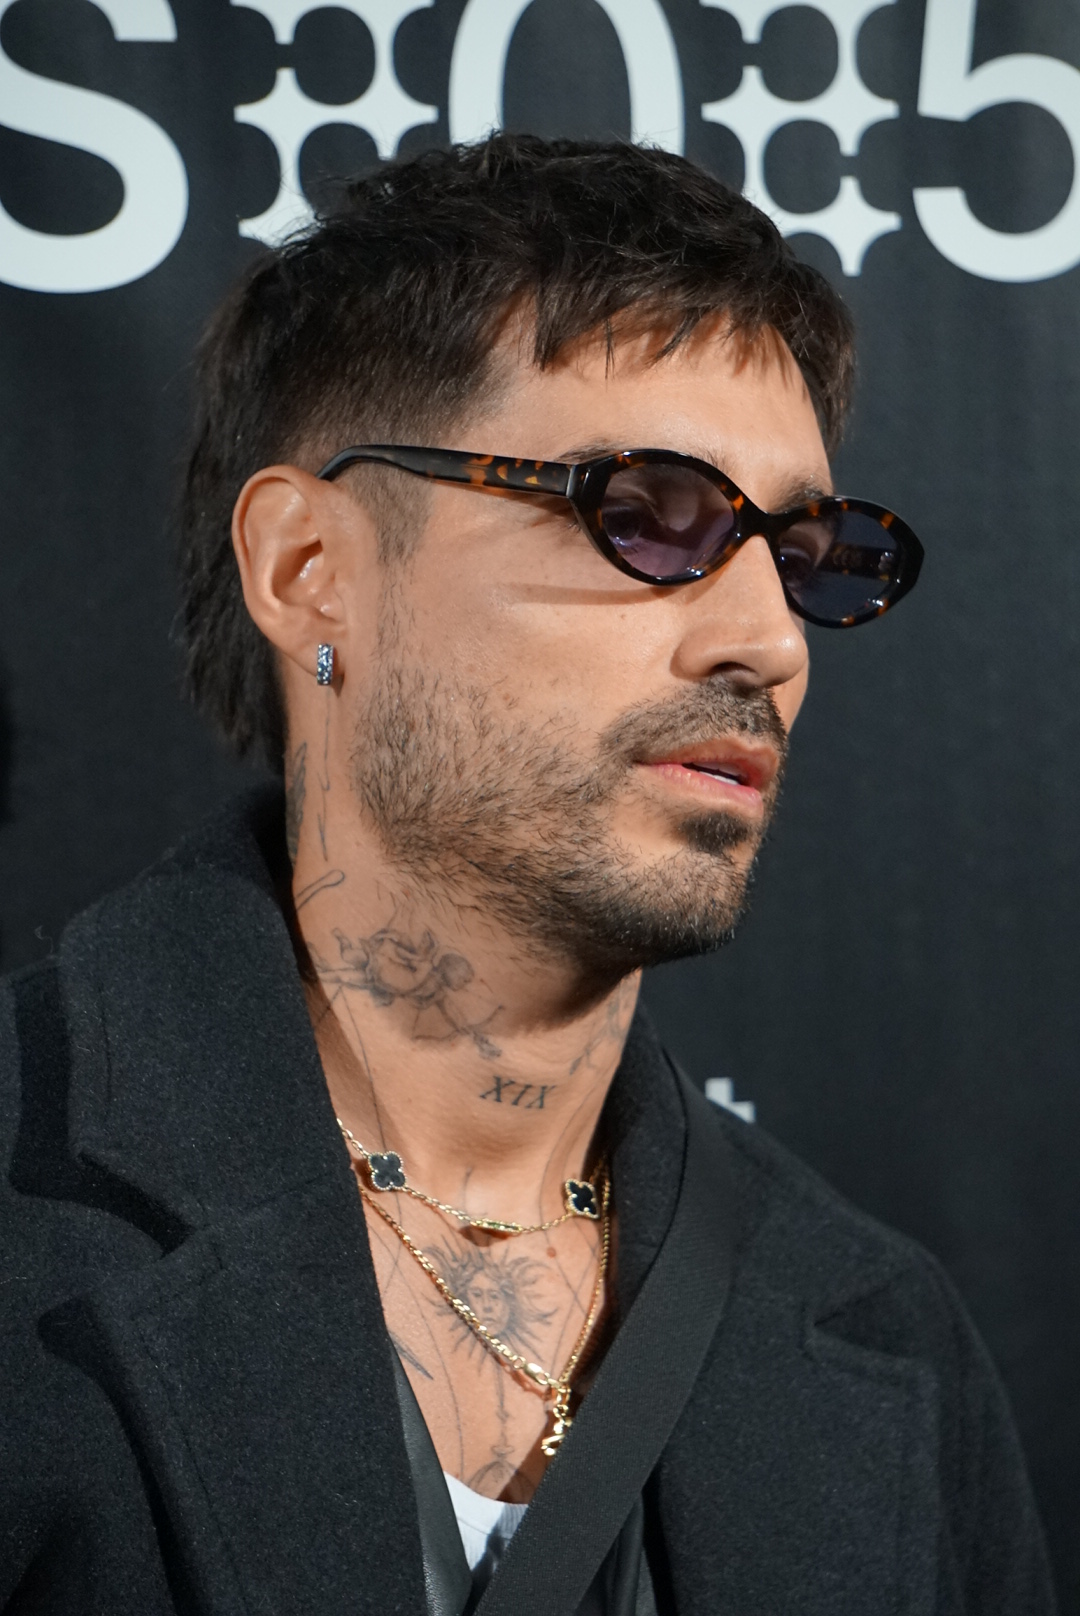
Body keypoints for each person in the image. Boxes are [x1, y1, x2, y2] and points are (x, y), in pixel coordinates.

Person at [0, 136, 1055, 1615]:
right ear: (310, 568)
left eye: (807, 552)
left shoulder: (887, 1336)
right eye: (648, 515)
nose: (768, 642)